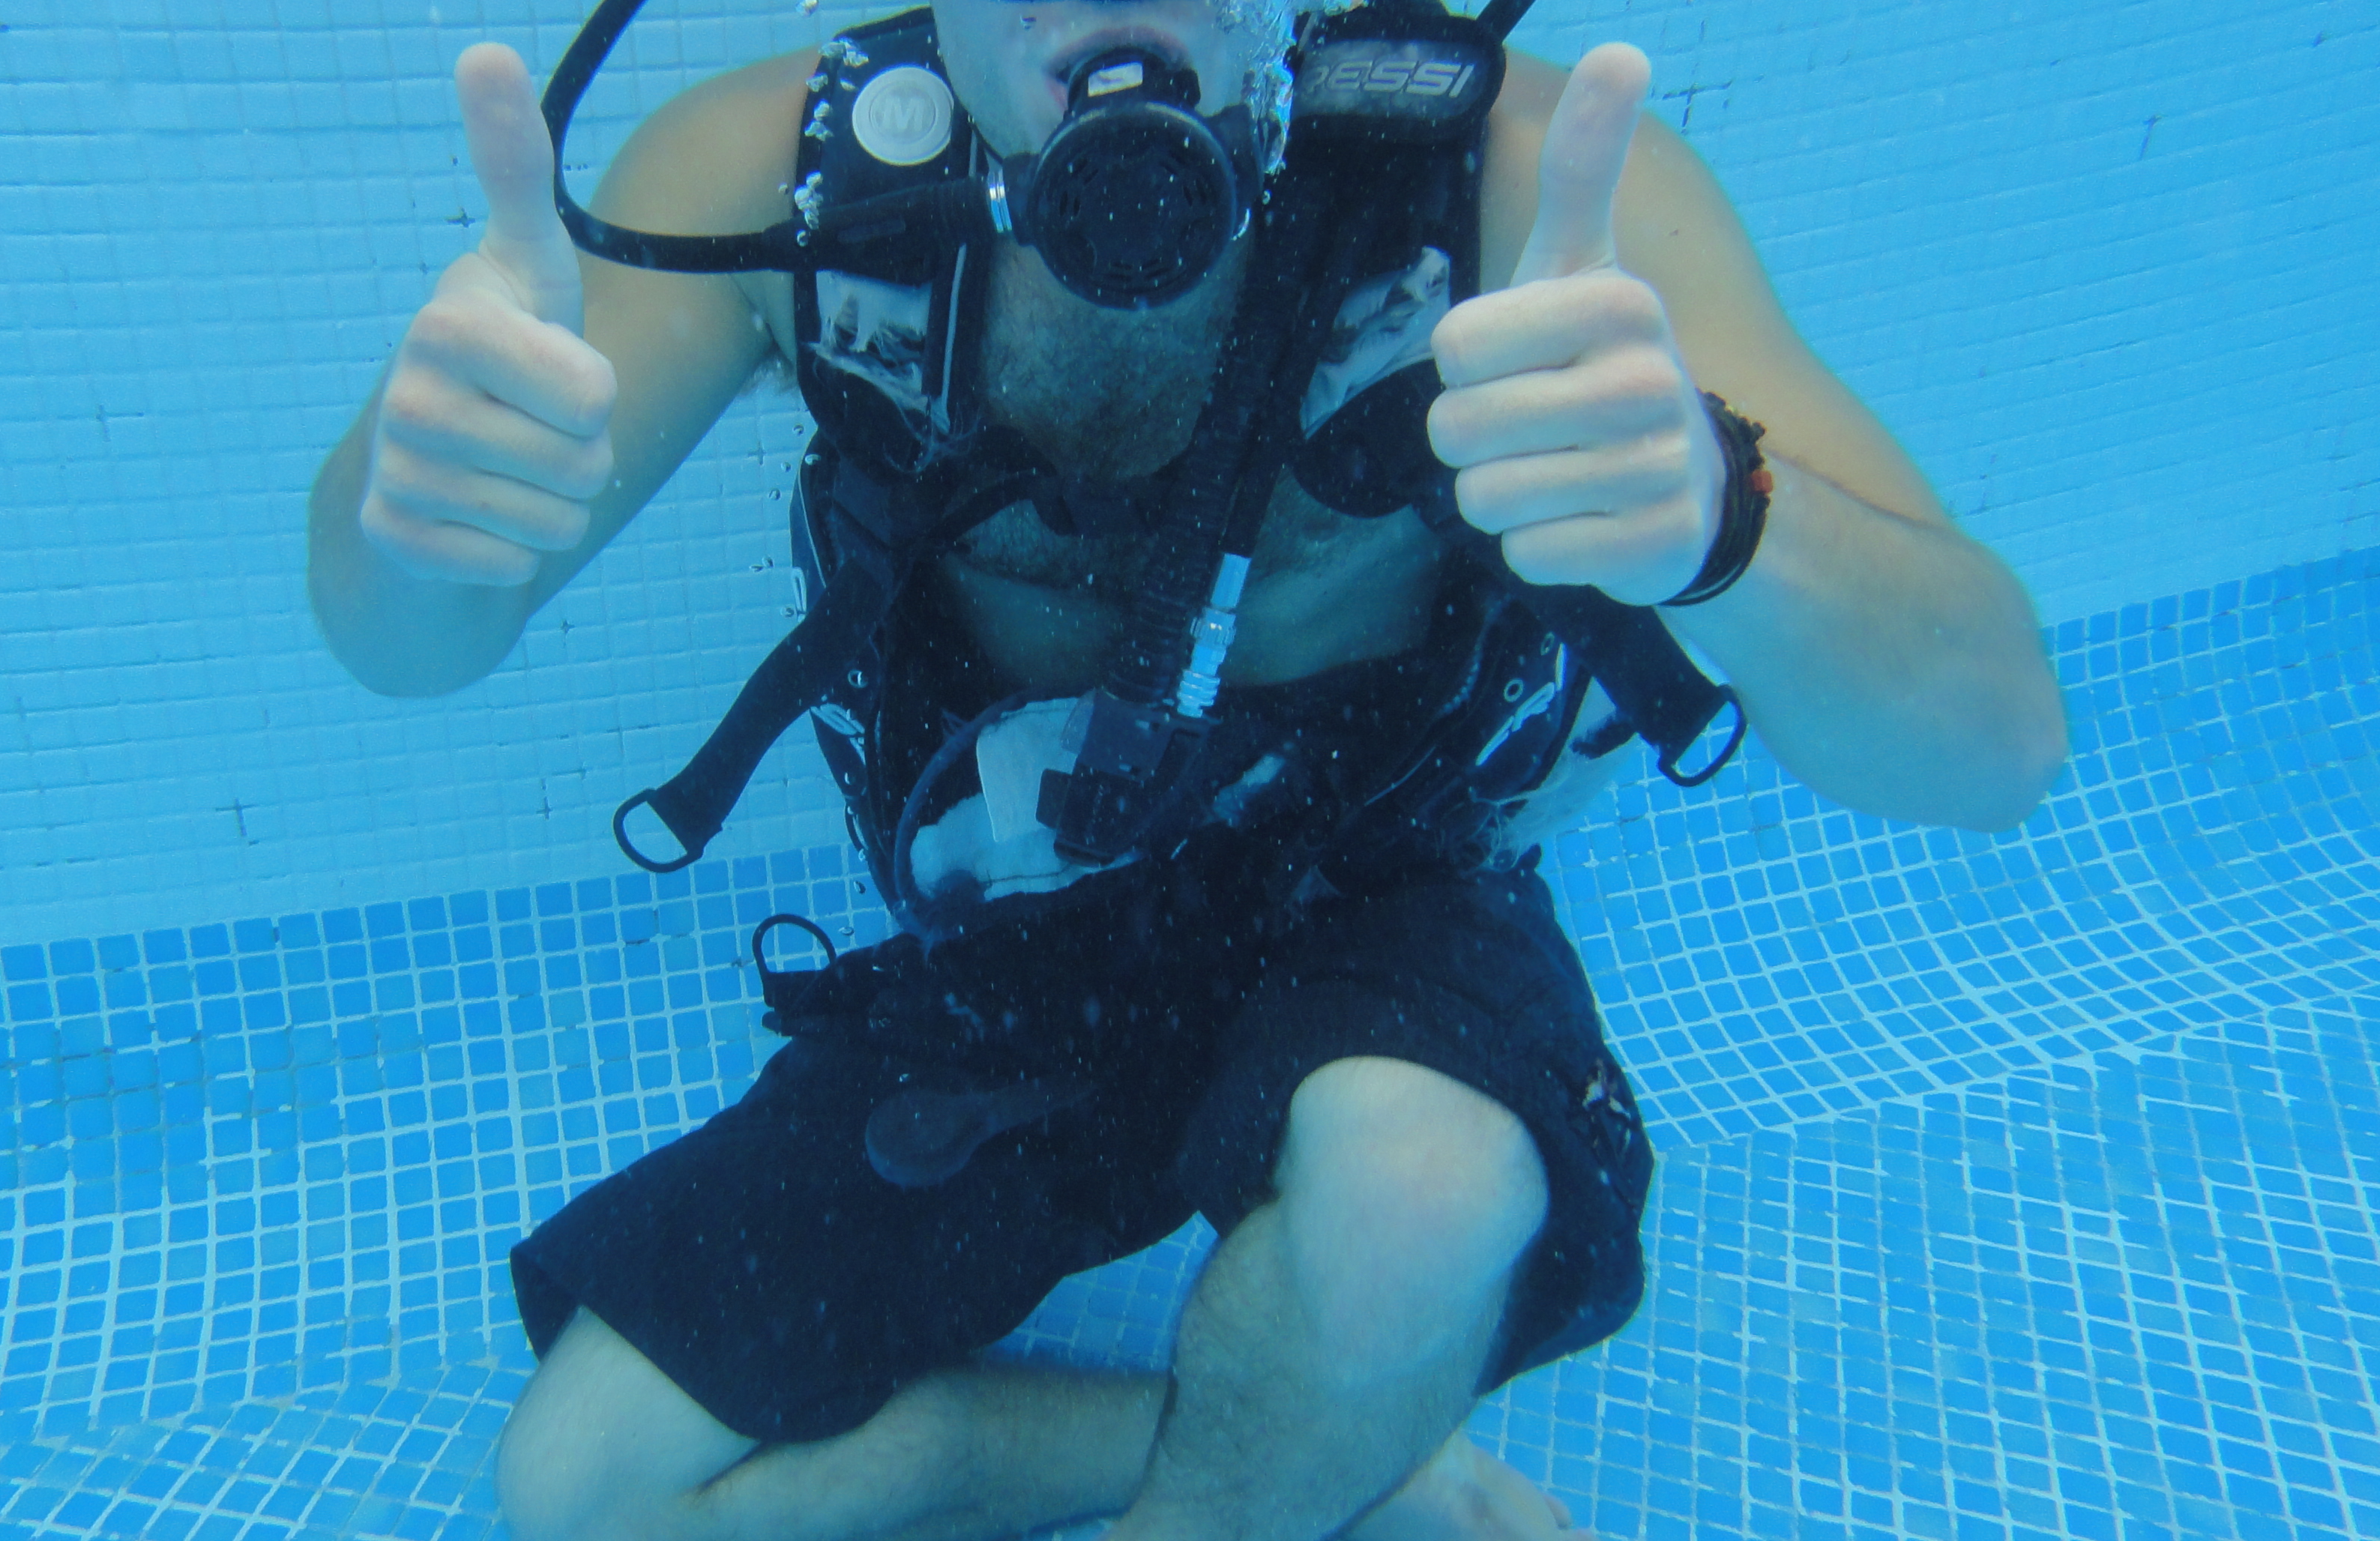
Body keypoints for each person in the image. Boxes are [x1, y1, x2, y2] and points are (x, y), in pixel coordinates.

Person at [307, 0, 2070, 1534]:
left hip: (1379, 892)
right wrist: (423, 519)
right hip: (1031, 924)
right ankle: (1334, 1449)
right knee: (586, 1487)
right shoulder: (784, 183)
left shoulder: (1519, 179)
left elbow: (1999, 749)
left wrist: (1724, 519)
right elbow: (413, 644)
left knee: (1420, 1190)